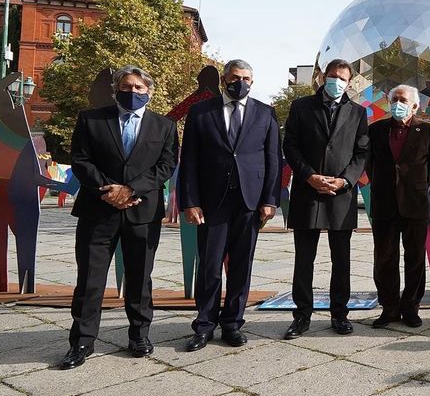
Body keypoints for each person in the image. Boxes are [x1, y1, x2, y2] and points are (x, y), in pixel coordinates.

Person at [61, 66, 178, 369]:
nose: (133, 92)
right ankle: (82, 342)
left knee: (140, 279)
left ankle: (139, 336)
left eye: (139, 88)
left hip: (142, 212)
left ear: (149, 91)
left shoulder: (164, 126)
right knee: (90, 280)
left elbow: (166, 165)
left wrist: (130, 189)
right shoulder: (91, 119)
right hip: (98, 211)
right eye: (127, 87)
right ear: (116, 90)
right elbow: (80, 160)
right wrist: (109, 191)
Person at [180, 59, 282, 351]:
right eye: (236, 77)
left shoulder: (265, 113)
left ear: (253, 81)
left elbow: (273, 160)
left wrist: (270, 200)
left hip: (250, 203)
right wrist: (190, 201)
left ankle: (233, 323)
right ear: (224, 80)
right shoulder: (201, 111)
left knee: (241, 265)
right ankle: (204, 325)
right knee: (210, 266)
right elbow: (189, 160)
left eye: (247, 78)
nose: (241, 83)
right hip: (212, 203)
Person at [280, 58, 370, 339]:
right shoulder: (301, 106)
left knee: (341, 259)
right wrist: (308, 176)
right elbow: (290, 145)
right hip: (308, 191)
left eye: (342, 78)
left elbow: (361, 152)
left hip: (340, 195)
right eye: (332, 76)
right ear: (321, 77)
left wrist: (345, 180)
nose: (336, 82)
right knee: (304, 259)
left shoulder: (357, 112)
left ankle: (339, 314)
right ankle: (302, 315)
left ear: (350, 81)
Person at [366, 84, 430, 328]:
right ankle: (389, 307)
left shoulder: (427, 130)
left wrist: (414, 186)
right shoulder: (376, 130)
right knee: (384, 257)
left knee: (415, 257)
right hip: (384, 202)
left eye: (403, 100)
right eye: (394, 98)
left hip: (415, 203)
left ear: (415, 105)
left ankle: (411, 307)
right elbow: (370, 165)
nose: (397, 103)